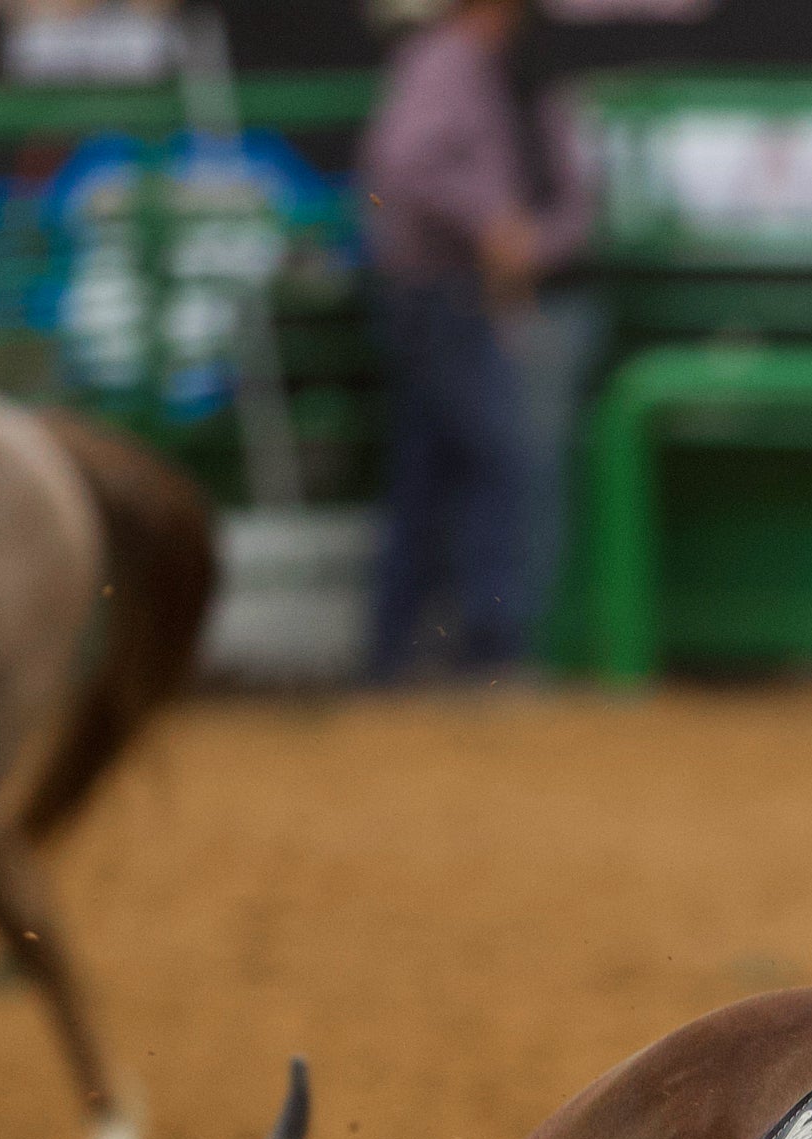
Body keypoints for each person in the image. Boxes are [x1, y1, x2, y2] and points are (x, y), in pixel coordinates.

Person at [357, 0, 596, 682]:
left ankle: (398, 653)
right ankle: (487, 650)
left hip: (446, 294)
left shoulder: (487, 66)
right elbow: (403, 164)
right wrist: (492, 224)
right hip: (442, 293)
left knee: (432, 473)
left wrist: (521, 238)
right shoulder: (450, 61)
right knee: (495, 463)